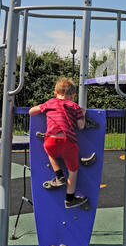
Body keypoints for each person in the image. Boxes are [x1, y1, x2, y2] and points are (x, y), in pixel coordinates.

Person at [29, 77, 88, 209]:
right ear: (73, 95)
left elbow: (31, 111)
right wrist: (82, 113)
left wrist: (41, 108)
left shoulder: (50, 103)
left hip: (51, 140)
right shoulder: (75, 106)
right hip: (68, 141)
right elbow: (81, 126)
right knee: (73, 171)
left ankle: (59, 175)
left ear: (55, 93)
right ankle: (69, 199)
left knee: (50, 152)